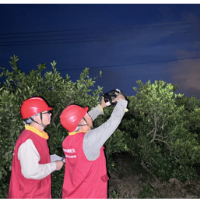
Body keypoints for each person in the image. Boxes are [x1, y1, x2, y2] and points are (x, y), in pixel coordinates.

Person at [60, 93, 127, 199]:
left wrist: (101, 107)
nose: (89, 115)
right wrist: (122, 102)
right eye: (86, 114)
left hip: (72, 194)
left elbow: (84, 120)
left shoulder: (67, 141)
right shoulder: (88, 140)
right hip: (90, 195)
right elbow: (113, 122)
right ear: (82, 122)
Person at [7, 97, 64, 199]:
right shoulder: (29, 140)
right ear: (36, 117)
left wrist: (50, 159)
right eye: (47, 112)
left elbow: (34, 161)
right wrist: (54, 166)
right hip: (29, 195)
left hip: (35, 193)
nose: (50, 114)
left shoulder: (37, 136)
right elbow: (31, 172)